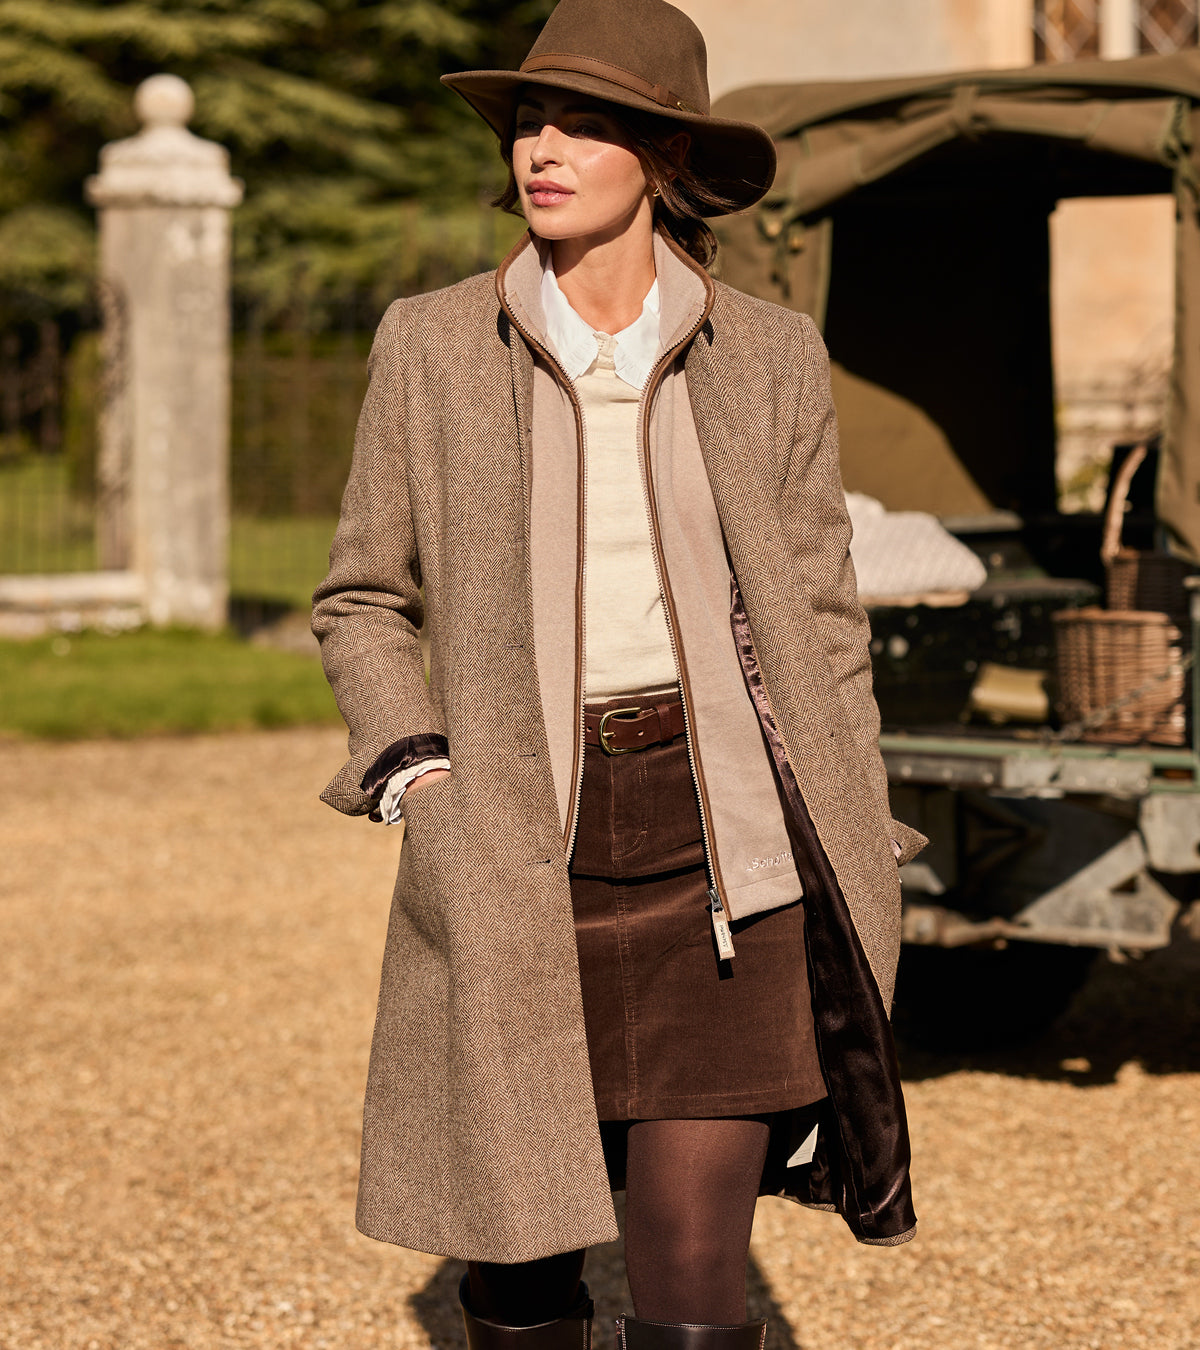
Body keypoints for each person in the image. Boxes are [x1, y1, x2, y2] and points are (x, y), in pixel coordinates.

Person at [312, 2, 928, 1348]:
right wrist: (423, 774)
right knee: (521, 1270)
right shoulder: (429, 346)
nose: (542, 146)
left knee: (695, 1285)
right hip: (518, 843)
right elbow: (361, 595)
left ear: (663, 155)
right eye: (532, 119)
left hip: (728, 855)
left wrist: (851, 819)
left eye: (584, 122)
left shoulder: (771, 356)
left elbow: (826, 623)